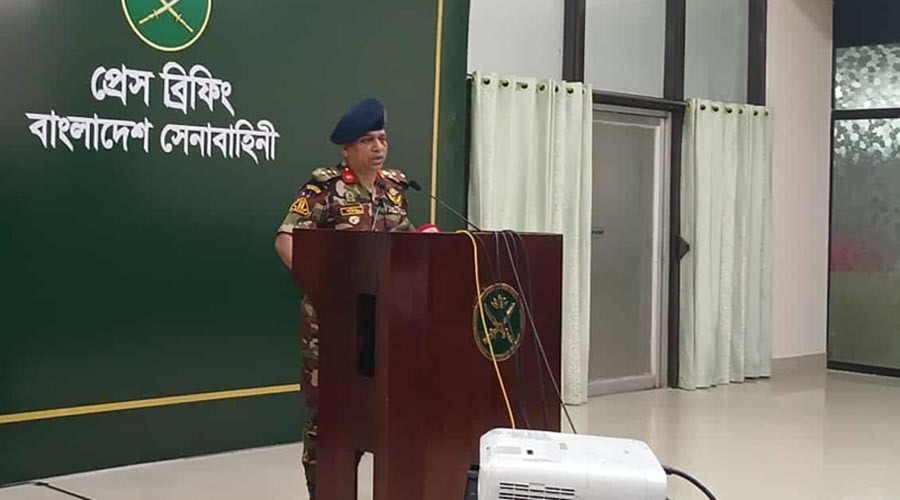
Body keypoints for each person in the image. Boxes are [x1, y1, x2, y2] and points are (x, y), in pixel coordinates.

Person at [273, 98, 415, 499]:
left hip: (383, 325)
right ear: (347, 148)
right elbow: (285, 240)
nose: (378, 147)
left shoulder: (394, 189)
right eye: (367, 140)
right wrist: (324, 286)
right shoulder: (323, 189)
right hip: (332, 326)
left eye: (382, 138)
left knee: (380, 412)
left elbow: (407, 246)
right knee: (331, 418)